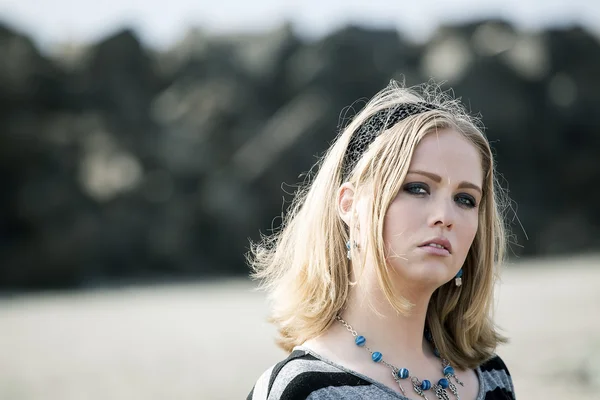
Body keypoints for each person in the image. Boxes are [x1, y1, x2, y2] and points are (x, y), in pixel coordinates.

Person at [246, 80, 516, 400]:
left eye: (466, 199)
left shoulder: (491, 378)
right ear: (349, 205)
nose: (446, 215)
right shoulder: (303, 389)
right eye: (417, 188)